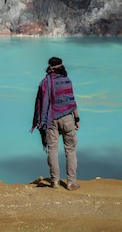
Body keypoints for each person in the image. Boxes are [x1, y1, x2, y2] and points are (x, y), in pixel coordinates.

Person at [31, 56, 80, 190]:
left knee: (52, 150)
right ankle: (71, 182)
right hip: (67, 119)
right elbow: (72, 101)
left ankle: (55, 181)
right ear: (62, 67)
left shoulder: (44, 83)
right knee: (70, 150)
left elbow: (41, 104)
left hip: (50, 120)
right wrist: (77, 119)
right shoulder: (67, 81)